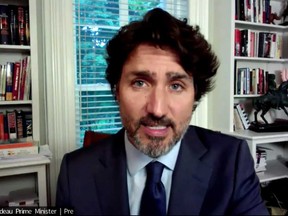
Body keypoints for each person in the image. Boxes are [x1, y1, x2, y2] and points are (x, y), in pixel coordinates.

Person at [56, 8, 269, 215]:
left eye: (176, 85)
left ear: (195, 95)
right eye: (140, 83)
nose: (157, 110)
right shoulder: (75, 172)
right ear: (117, 91)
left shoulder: (232, 162)